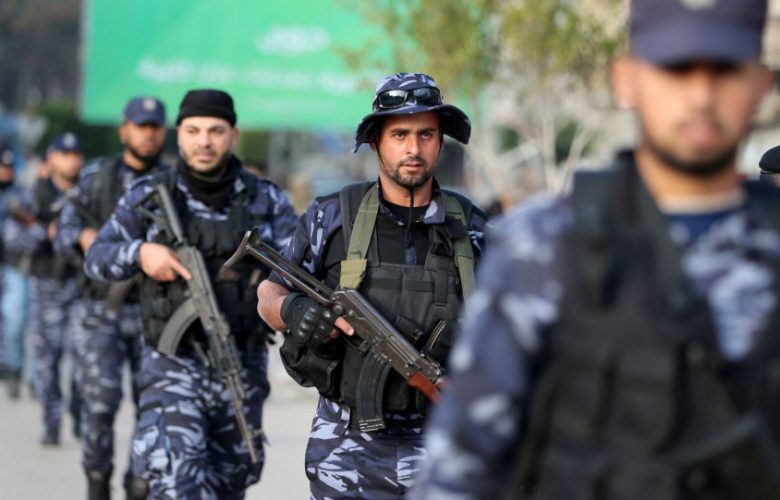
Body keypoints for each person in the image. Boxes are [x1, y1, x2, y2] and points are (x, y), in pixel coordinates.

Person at [410, 1, 780, 499]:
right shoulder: (541, 247)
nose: (700, 96)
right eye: (675, 69)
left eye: (725, 70)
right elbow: (462, 468)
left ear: (761, 85)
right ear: (626, 80)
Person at [257, 72, 487, 498]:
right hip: (347, 453)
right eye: (400, 134)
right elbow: (269, 293)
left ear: (440, 141)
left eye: (426, 134)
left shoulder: (474, 229)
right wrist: (293, 310)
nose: (413, 148)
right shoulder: (330, 217)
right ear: (376, 141)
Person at [83, 88, 297, 499]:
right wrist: (140, 253)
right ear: (178, 134)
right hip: (172, 366)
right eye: (193, 130)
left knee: (231, 482)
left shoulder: (265, 199)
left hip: (241, 365)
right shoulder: (149, 193)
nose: (204, 141)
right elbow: (97, 257)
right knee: (174, 480)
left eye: (215, 131)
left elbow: (300, 269)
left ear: (233, 135)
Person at [54, 96, 169, 498]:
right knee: (100, 406)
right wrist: (86, 238)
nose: (148, 134)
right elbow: (64, 231)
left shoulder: (174, 182)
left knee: (153, 410)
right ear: (124, 131)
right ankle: (97, 480)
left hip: (158, 314)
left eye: (155, 127)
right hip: (101, 311)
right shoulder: (96, 179)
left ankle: (139, 484)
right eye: (141, 126)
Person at [5, 132, 85, 446]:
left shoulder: (89, 192)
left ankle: (79, 410)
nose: (71, 161)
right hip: (47, 284)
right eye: (65, 155)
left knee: (84, 358)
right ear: (51, 158)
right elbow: (13, 237)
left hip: (82, 286)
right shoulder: (34, 194)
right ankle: (51, 422)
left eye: (76, 154)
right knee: (47, 361)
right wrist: (45, 233)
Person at [0, 142, 30, 399]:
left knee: (15, 318)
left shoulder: (20, 195)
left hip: (13, 263)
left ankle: (14, 367)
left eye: (9, 166)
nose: (6, 171)